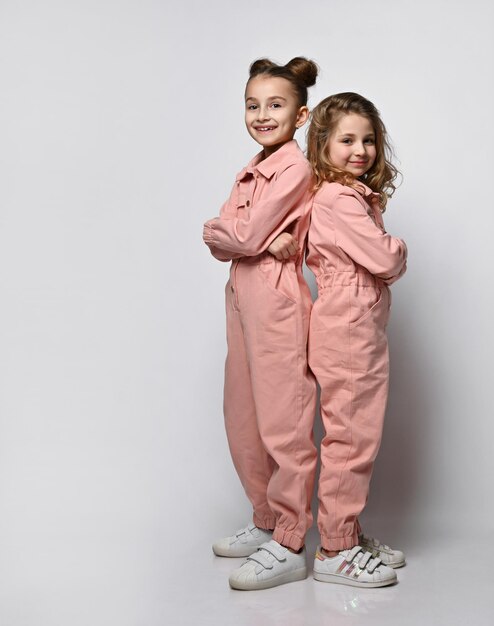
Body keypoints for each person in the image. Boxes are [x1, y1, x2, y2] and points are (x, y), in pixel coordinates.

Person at [203, 57, 319, 590]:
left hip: (274, 298)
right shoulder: (252, 165)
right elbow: (222, 236)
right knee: (243, 416)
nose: (261, 114)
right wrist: (243, 234)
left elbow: (233, 235)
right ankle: (265, 518)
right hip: (240, 294)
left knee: (283, 420)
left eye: (275, 104)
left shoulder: (293, 167)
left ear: (300, 115)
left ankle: (291, 539)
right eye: (253, 104)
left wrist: (242, 234)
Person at [305, 92, 408, 587]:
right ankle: (335, 550)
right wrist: (399, 248)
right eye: (346, 139)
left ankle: (345, 530)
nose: (360, 149)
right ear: (322, 143)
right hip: (348, 326)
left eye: (368, 139)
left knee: (355, 432)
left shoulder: (349, 196)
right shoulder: (341, 199)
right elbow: (387, 261)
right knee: (351, 436)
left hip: (354, 324)